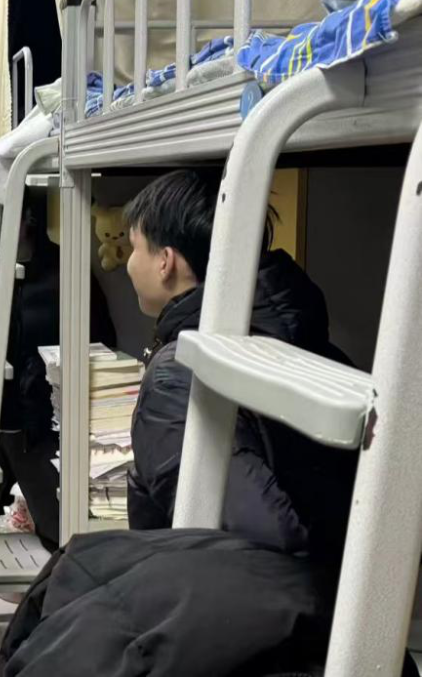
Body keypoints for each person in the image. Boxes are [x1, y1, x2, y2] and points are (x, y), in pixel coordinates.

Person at [123, 169, 356, 561]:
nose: (129, 263)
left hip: (251, 596)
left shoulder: (179, 376)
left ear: (165, 261)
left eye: (134, 248)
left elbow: (251, 549)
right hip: (335, 584)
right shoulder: (301, 337)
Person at [0, 186, 117, 551]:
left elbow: (99, 339)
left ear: (28, 219)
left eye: (4, 219)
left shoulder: (65, 271)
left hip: (37, 426)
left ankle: (54, 588)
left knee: (58, 529)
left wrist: (49, 377)